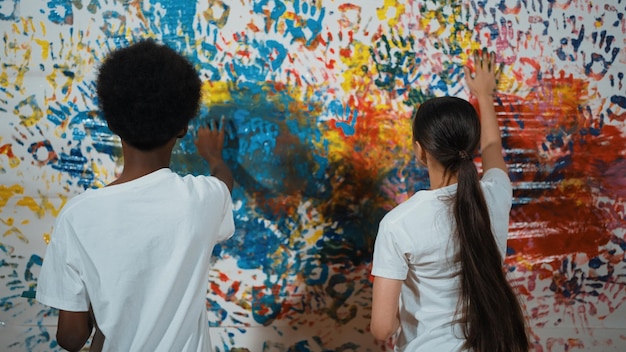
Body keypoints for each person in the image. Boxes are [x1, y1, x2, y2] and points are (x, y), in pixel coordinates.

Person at [36, 40, 235, 352]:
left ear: (113, 123)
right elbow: (223, 183)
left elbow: (71, 339)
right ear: (183, 127)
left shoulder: (78, 216)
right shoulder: (202, 200)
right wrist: (214, 156)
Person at [370, 50, 530, 352]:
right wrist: (484, 94)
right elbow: (493, 146)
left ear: (419, 151)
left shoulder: (398, 224)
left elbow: (382, 328)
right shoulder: (495, 194)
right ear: (470, 147)